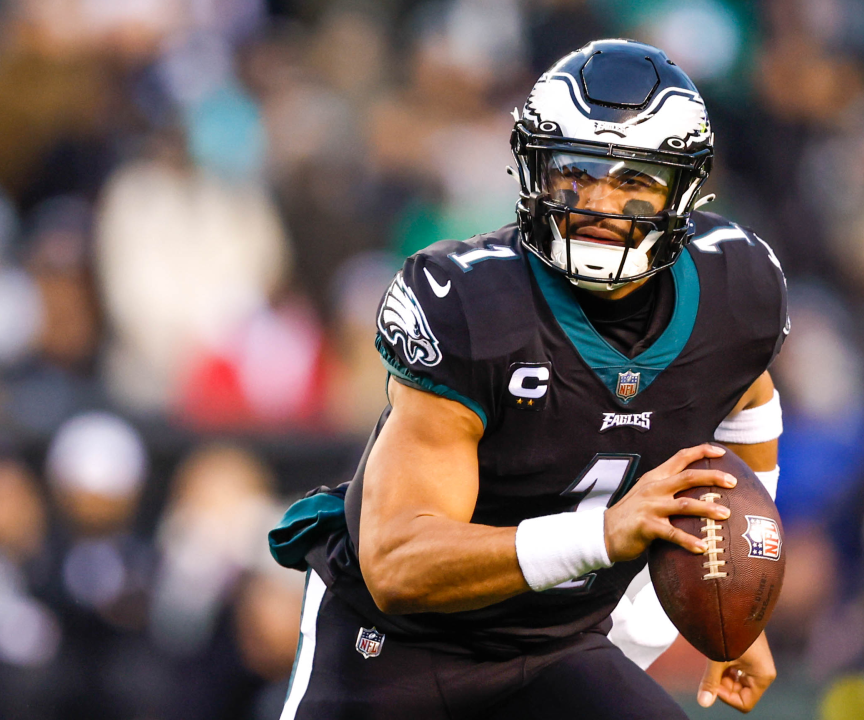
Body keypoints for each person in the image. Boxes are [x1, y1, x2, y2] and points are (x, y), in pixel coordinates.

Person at [268, 39, 789, 719]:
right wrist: (605, 534)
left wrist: (734, 602)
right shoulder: (472, 304)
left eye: (634, 180)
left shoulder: (735, 288)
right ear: (536, 173)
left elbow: (749, 407)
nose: (601, 204)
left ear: (682, 191)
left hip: (557, 643)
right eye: (577, 172)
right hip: (397, 650)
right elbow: (396, 562)